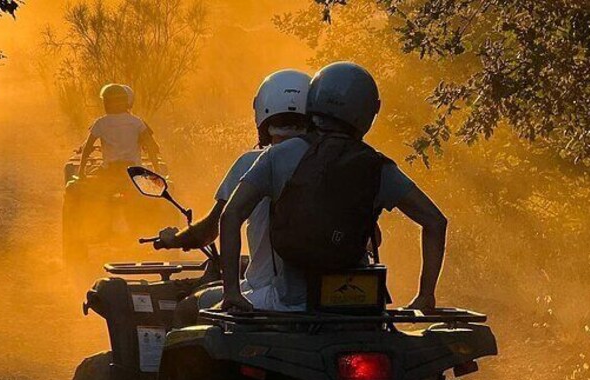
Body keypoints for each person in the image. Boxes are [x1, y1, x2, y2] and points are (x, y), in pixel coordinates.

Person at [219, 61, 448, 313]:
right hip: (358, 306)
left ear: (314, 99)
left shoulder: (278, 156)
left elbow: (231, 215)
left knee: (199, 312)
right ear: (372, 110)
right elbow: (435, 222)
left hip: (289, 304)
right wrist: (425, 296)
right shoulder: (377, 166)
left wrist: (232, 292)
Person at [151, 69, 311, 323]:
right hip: (328, 300)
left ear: (263, 115)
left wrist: (174, 239)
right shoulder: (330, 164)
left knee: (185, 310)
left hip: (271, 295)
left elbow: (212, 229)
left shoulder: (254, 161)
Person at [77, 84, 161, 178]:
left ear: (106, 102)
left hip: (110, 172)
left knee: (91, 186)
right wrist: (157, 171)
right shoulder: (137, 122)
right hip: (134, 171)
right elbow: (151, 147)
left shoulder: (100, 123)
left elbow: (87, 148)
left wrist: (81, 172)